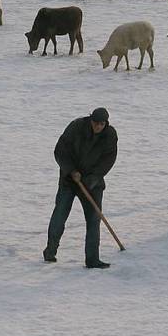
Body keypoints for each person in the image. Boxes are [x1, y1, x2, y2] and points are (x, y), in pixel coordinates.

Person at [45, 107, 118, 269]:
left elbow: (108, 160)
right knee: (60, 215)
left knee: (93, 219)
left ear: (106, 123)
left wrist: (92, 179)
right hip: (69, 180)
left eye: (101, 124)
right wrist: (71, 170)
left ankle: (92, 259)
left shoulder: (110, 135)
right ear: (90, 119)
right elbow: (60, 151)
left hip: (93, 184)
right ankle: (50, 251)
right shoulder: (76, 127)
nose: (98, 127)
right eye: (95, 123)